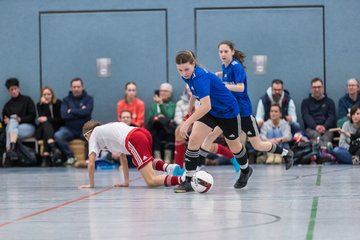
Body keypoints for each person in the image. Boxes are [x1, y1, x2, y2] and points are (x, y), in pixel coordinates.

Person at [201, 40, 294, 171]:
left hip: (243, 112)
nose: (223, 54)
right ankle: (197, 169)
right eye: (220, 52)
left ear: (232, 52)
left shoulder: (236, 66)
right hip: (229, 112)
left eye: (226, 51)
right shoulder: (225, 66)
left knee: (257, 145)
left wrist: (223, 85)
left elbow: (240, 87)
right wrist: (219, 75)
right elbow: (228, 76)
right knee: (212, 136)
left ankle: (286, 153)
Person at [174, 50, 252, 193]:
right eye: (180, 70)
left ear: (193, 64)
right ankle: (188, 180)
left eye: (186, 69)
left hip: (227, 111)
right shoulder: (189, 76)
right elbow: (195, 91)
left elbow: (206, 105)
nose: (184, 73)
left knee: (234, 146)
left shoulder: (200, 76)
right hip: (210, 112)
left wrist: (187, 123)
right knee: (194, 139)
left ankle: (246, 170)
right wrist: (190, 106)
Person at [79, 120, 185, 189]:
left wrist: (91, 185)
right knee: (137, 160)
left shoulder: (94, 134)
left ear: (88, 134)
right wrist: (126, 182)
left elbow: (91, 164)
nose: (88, 141)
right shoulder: (107, 131)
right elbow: (123, 158)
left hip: (135, 139)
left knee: (151, 181)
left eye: (86, 138)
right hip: (142, 133)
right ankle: (170, 167)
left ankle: (184, 179)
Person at [54, 77, 94, 165]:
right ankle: (70, 156)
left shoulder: (89, 99)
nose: (76, 89)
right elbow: (64, 115)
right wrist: (80, 111)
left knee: (92, 136)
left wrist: (71, 110)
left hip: (84, 129)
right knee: (58, 135)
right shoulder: (66, 100)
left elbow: (87, 112)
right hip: (69, 129)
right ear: (71, 88)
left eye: (78, 87)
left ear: (82, 87)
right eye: (74, 87)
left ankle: (88, 159)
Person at [2, 78, 36, 161]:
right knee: (11, 125)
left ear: (18, 88)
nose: (13, 91)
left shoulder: (27, 100)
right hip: (14, 130)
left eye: (15, 89)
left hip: (28, 127)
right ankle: (12, 148)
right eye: (11, 89)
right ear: (8, 91)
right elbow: (3, 122)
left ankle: (9, 152)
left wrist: (20, 119)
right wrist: (5, 122)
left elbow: (33, 116)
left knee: (11, 126)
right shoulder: (7, 106)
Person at [301, 77, 336, 146]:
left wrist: (324, 126)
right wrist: (316, 127)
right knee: (317, 137)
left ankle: (323, 152)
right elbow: (306, 116)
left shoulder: (330, 102)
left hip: (327, 129)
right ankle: (325, 152)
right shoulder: (305, 102)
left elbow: (332, 117)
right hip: (311, 129)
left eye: (319, 87)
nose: (317, 89)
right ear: (311, 88)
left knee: (326, 137)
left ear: (323, 88)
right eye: (314, 87)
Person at [146, 82, 176, 163]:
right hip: (156, 129)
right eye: (161, 91)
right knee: (155, 131)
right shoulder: (154, 105)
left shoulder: (172, 105)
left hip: (168, 129)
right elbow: (150, 118)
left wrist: (161, 104)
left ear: (170, 94)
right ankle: (157, 158)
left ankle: (167, 158)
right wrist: (159, 116)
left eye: (165, 91)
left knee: (169, 130)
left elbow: (169, 116)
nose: (162, 92)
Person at [36, 86, 63, 166]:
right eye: (44, 95)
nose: (47, 96)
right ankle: (53, 147)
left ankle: (46, 156)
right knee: (46, 125)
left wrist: (47, 119)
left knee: (46, 129)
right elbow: (41, 120)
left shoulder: (58, 103)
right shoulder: (39, 105)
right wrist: (46, 105)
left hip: (56, 127)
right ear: (42, 96)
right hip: (42, 128)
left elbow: (59, 119)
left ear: (52, 95)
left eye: (48, 94)